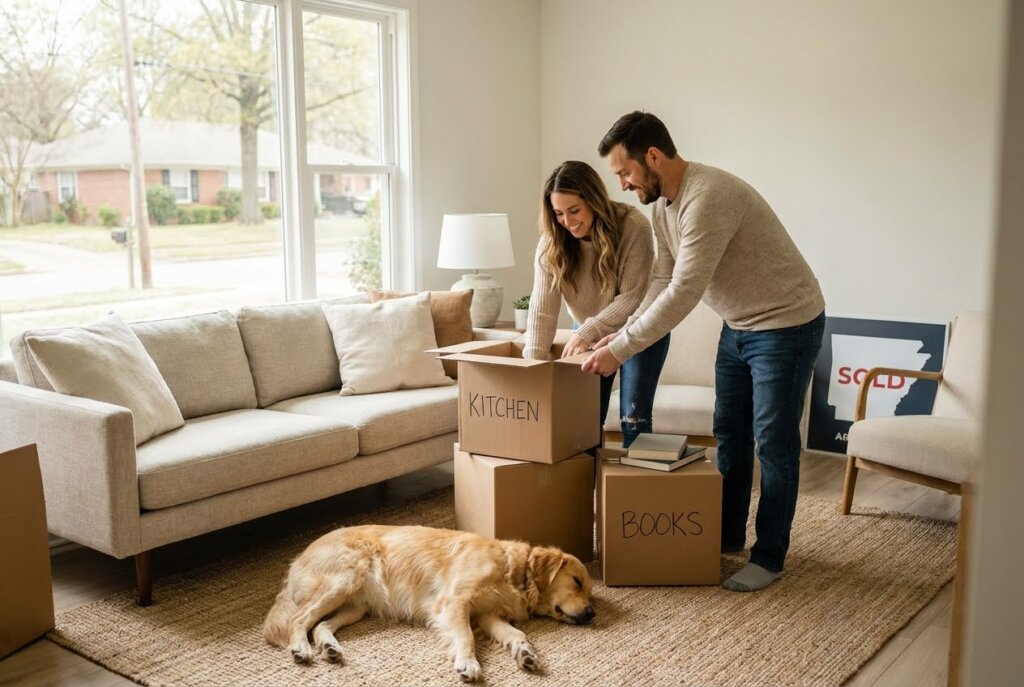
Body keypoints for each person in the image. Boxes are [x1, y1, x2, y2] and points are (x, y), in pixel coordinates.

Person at [582, 112, 826, 592]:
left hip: (786, 325)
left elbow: (685, 292)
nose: (624, 185)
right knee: (729, 433)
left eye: (625, 172)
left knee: (774, 442)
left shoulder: (707, 197)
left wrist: (623, 350)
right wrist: (621, 332)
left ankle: (770, 555)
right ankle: (727, 535)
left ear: (653, 157)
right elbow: (660, 281)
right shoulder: (662, 206)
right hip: (738, 326)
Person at [523, 160, 670, 447]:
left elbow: (632, 298)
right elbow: (542, 311)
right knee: (584, 420)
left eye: (575, 210)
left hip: (638, 330)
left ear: (594, 200)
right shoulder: (552, 243)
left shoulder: (633, 226)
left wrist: (585, 332)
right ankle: (589, 489)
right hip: (588, 332)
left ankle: (634, 491)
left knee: (634, 418)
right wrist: (533, 369)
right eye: (559, 213)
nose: (568, 221)